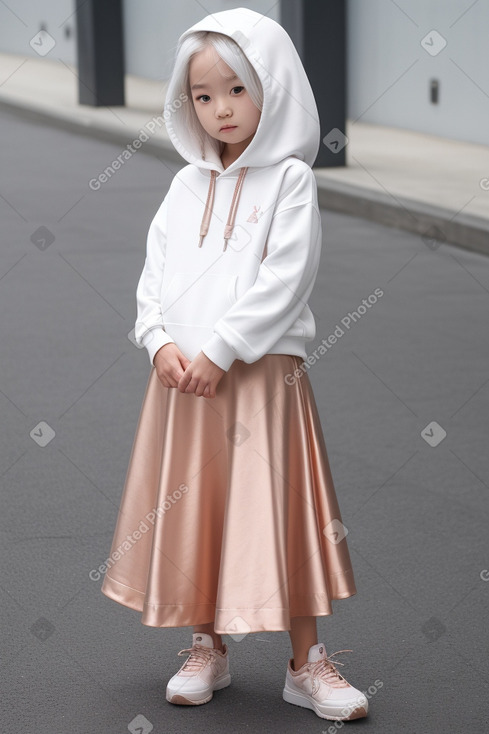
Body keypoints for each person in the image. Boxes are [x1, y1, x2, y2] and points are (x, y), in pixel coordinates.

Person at [101, 6, 369, 723]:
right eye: (203, 94)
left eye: (237, 89)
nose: (220, 109)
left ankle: (304, 662)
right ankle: (205, 646)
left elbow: (285, 279)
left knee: (277, 516)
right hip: (182, 383)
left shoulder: (289, 181)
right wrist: (158, 339)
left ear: (272, 86)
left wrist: (221, 349)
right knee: (195, 510)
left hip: (259, 381)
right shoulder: (184, 184)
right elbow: (153, 274)